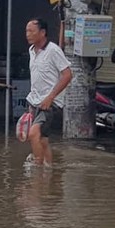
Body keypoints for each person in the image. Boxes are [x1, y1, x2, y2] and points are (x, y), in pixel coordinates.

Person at [24, 17, 73, 167]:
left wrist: (51, 98)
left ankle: (37, 169)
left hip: (50, 103)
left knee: (33, 134)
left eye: (31, 31)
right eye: (26, 31)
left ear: (42, 32)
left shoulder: (53, 50)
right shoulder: (31, 51)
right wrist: (31, 104)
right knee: (43, 140)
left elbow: (68, 75)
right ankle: (47, 172)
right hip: (35, 101)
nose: (27, 34)